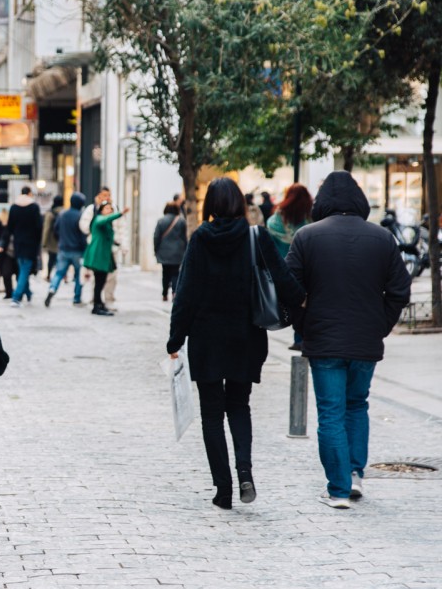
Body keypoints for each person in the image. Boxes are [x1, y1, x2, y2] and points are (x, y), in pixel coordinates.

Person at [167, 177, 305, 510]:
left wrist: (175, 338)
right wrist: (305, 305)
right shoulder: (257, 236)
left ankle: (223, 489)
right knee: (240, 406)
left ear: (210, 205)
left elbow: (186, 294)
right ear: (240, 204)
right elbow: (284, 280)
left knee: (212, 414)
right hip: (246, 337)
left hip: (207, 339)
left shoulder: (200, 239)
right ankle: (245, 471)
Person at [285, 171, 411, 509]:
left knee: (330, 412)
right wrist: (380, 325)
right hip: (365, 340)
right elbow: (400, 290)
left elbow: (289, 288)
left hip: (323, 338)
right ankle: (354, 474)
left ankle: (338, 489)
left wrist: (304, 324)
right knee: (357, 404)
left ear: (322, 202)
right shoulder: (382, 238)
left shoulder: (307, 236)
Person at [267, 184, 313, 350]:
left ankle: (298, 338)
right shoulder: (310, 217)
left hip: (283, 268)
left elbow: (270, 239)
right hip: (306, 266)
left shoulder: (278, 217)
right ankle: (302, 337)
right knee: (306, 303)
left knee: (293, 302)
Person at [83, 200, 130, 316]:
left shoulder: (107, 223)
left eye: (111, 209)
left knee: (102, 280)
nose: (109, 211)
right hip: (98, 255)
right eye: (107, 209)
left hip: (104, 254)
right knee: (99, 280)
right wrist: (120, 213)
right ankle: (97, 305)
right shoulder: (99, 219)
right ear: (101, 210)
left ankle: (99, 303)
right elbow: (105, 220)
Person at [0, 187, 43, 307]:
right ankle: (16, 297)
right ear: (29, 193)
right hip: (31, 244)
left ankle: (28, 293)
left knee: (23, 269)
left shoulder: (14, 207)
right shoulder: (34, 207)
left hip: (18, 243)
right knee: (24, 270)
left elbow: (10, 227)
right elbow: (39, 227)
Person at [44, 193, 87, 308]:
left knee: (59, 272)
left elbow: (56, 229)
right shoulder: (80, 215)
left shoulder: (62, 214)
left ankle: (52, 288)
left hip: (63, 248)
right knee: (78, 275)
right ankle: (77, 298)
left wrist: (61, 240)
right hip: (77, 250)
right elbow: (83, 234)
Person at [154, 201, 187, 301]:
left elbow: (156, 237)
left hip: (164, 252)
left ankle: (164, 294)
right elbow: (184, 238)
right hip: (178, 252)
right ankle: (174, 293)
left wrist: (156, 249)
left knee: (165, 273)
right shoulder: (181, 221)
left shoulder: (161, 221)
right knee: (175, 273)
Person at [41, 195, 64, 281]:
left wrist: (44, 242)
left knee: (51, 259)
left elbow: (46, 229)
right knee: (62, 260)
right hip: (63, 240)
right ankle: (63, 276)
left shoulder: (50, 213)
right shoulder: (65, 212)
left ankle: (48, 275)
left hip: (52, 240)